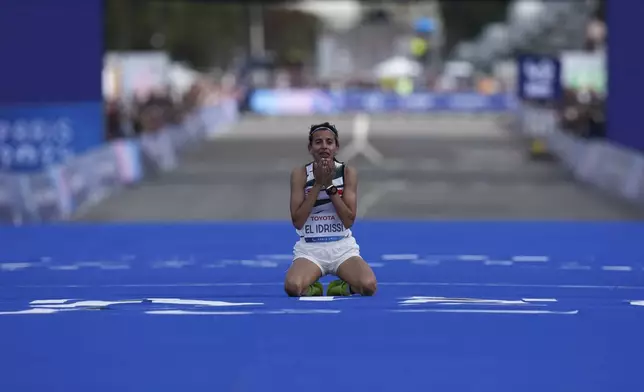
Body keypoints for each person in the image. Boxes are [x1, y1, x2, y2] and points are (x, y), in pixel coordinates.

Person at [285, 122, 378, 297]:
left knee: (368, 286)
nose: (324, 147)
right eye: (318, 142)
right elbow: (297, 221)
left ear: (336, 147)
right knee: (293, 287)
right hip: (311, 249)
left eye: (329, 142)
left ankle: (342, 287)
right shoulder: (300, 174)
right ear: (310, 147)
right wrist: (317, 183)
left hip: (341, 247)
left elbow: (349, 220)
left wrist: (329, 186)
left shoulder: (347, 173)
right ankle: (313, 288)